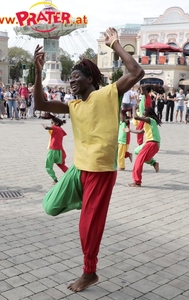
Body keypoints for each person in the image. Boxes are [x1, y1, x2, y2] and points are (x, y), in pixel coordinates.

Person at [34, 27, 144, 292]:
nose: (71, 82)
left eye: (76, 77)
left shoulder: (107, 94)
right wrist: (36, 72)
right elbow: (40, 104)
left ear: (90, 79)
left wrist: (115, 44)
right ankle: (87, 205)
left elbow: (136, 73)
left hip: (100, 172)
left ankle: (89, 272)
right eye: (70, 78)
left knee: (87, 227)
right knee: (50, 205)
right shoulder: (74, 105)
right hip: (79, 169)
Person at [128, 106, 161, 187]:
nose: (142, 117)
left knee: (139, 161)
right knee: (137, 151)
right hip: (152, 143)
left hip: (152, 143)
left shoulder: (150, 120)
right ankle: (154, 163)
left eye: (144, 115)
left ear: (148, 115)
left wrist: (134, 108)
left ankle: (137, 182)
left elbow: (135, 117)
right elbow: (140, 132)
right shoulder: (147, 123)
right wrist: (130, 130)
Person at [42, 115, 68, 184]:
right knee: (61, 165)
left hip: (53, 150)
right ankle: (70, 174)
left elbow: (46, 128)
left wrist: (43, 124)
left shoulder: (56, 128)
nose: (51, 124)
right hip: (59, 151)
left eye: (52, 122)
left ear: (56, 124)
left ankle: (55, 179)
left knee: (48, 166)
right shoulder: (61, 130)